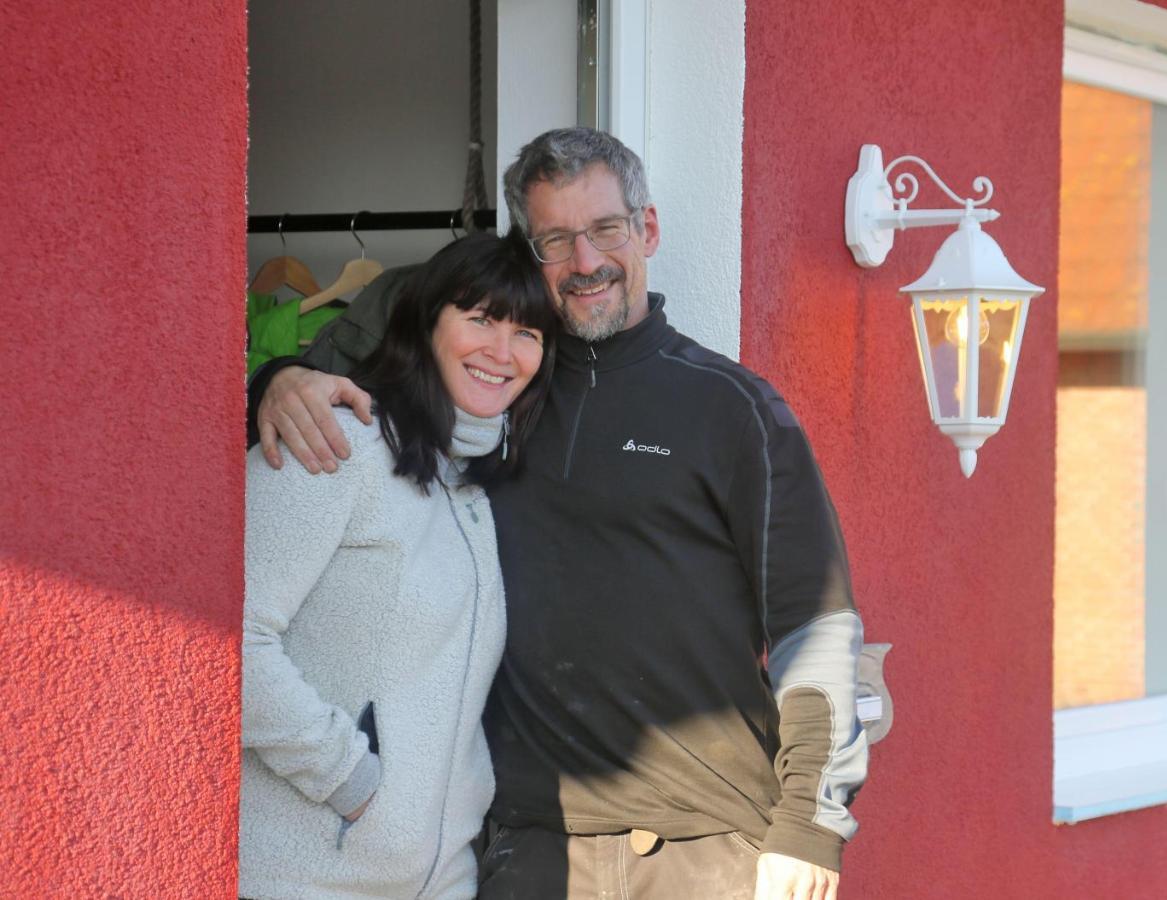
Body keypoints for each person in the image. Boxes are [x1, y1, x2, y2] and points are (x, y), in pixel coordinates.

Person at [250, 128, 867, 900]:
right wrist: (279, 378)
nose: (584, 262)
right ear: (529, 252)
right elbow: (360, 387)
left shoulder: (733, 410)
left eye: (606, 229)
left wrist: (810, 821)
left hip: (706, 847)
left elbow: (820, 627)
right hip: (527, 851)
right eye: (555, 239)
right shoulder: (489, 400)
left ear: (647, 228)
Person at [239, 231, 558, 900]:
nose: (503, 352)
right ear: (426, 322)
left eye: (526, 332)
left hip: (440, 880)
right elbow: (229, 638)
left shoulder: (476, 489)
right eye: (480, 320)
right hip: (307, 878)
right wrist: (348, 781)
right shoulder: (335, 442)